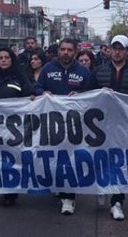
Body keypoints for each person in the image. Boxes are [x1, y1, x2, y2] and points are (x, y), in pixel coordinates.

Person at [87, 35, 128, 221]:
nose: (117, 52)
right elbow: (87, 95)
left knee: (121, 163)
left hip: (125, 125)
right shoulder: (98, 71)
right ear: (110, 50)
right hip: (102, 126)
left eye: (121, 48)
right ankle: (102, 188)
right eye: (114, 48)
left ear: (126, 50)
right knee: (102, 160)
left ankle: (117, 202)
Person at [35, 39, 90, 215]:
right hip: (52, 123)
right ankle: (59, 186)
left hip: (75, 123)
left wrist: (81, 95)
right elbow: (37, 88)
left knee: (70, 158)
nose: (65, 52)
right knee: (55, 157)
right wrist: (43, 93)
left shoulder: (83, 71)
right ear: (58, 51)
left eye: (69, 50)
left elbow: (92, 93)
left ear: (75, 52)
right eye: (63, 49)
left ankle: (69, 198)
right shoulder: (48, 69)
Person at [0, 48, 32, 206]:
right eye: (0, 58)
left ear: (11, 60)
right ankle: (2, 187)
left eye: (6, 57)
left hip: (15, 126)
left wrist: (32, 97)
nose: (3, 60)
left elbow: (30, 93)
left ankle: (12, 191)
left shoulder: (20, 78)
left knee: (13, 157)